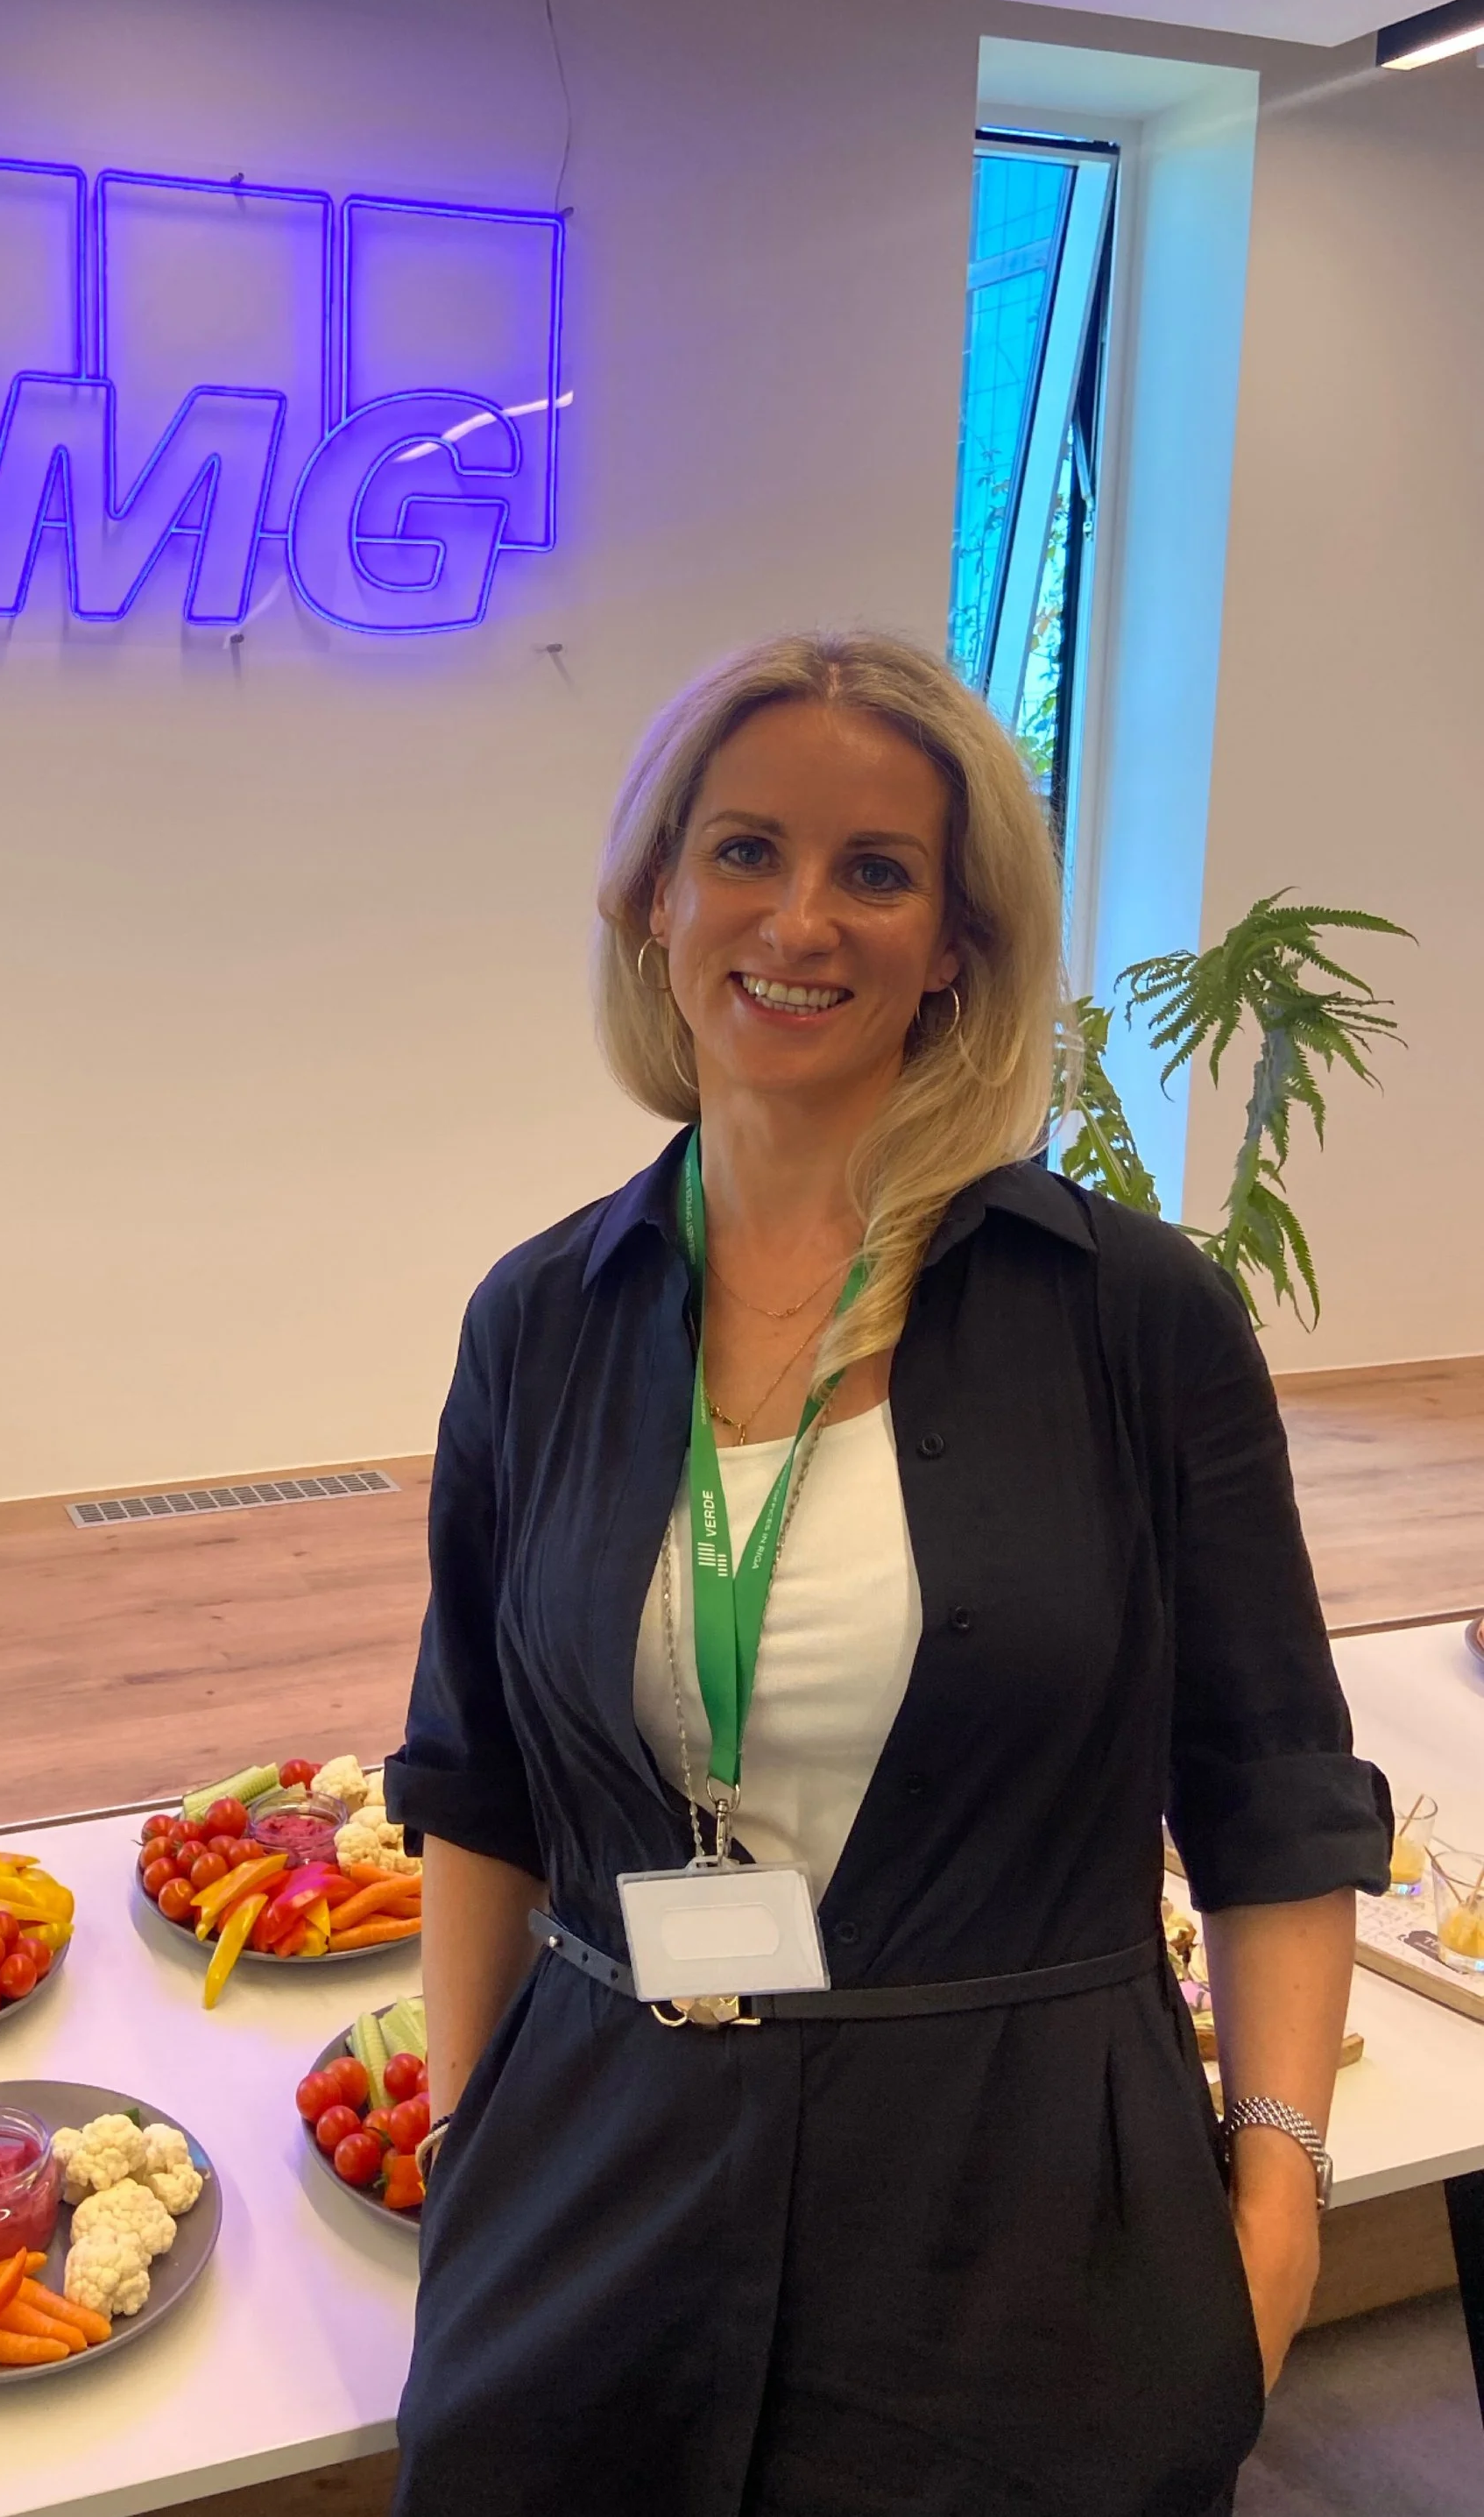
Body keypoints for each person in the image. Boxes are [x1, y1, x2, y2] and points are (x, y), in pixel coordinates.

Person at [385, 631, 1390, 2517]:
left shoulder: (1132, 1316)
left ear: (954, 944)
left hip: (1018, 2236)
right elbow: (473, 1788)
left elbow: (1268, 1799)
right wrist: (468, 2146)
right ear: (654, 894)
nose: (798, 919)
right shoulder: (536, 1319)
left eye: (876, 870)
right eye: (745, 850)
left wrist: (1273, 2196)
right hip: (596, 2200)